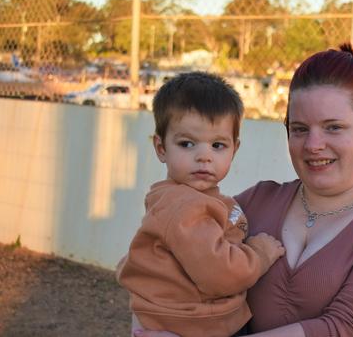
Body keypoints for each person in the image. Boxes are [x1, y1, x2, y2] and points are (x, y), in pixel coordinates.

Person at [135, 44, 353, 337]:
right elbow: (162, 273)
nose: (313, 145)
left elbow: (350, 328)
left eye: (333, 127)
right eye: (300, 129)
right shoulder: (253, 202)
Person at [117, 72, 285, 337]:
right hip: (197, 325)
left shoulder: (186, 199)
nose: (204, 156)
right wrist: (260, 254)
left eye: (218, 145)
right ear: (161, 148)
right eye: (187, 144)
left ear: (234, 149)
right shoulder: (182, 206)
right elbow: (221, 273)